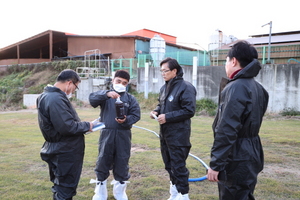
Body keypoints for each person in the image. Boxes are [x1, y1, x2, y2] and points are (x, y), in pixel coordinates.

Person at [207, 41, 269, 200]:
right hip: (251, 153)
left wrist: (216, 164)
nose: (225, 65)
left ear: (233, 61)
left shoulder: (236, 88)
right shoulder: (258, 88)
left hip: (237, 156)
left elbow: (226, 130)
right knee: (244, 194)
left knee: (233, 194)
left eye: (226, 61)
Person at [36, 69, 93, 200]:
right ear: (69, 83)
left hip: (58, 148)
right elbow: (67, 127)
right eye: (75, 87)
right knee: (65, 190)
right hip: (65, 152)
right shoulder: (55, 98)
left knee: (59, 186)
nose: (74, 90)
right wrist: (88, 125)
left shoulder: (46, 96)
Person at [89, 70, 141, 200]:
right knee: (103, 160)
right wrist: (106, 94)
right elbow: (92, 99)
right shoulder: (106, 96)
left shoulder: (130, 98)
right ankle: (100, 192)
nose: (121, 84)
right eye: (118, 81)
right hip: (107, 134)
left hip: (123, 135)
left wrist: (126, 120)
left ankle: (120, 191)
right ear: (113, 80)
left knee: (122, 161)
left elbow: (136, 115)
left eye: (124, 83)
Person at [150, 57, 197, 200]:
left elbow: (189, 110)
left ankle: (184, 195)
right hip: (165, 135)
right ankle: (174, 193)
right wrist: (156, 111)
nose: (163, 73)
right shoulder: (164, 88)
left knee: (178, 166)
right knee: (169, 165)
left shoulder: (186, 87)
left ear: (174, 71)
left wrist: (168, 117)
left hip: (179, 135)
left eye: (166, 71)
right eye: (161, 71)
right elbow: (161, 105)